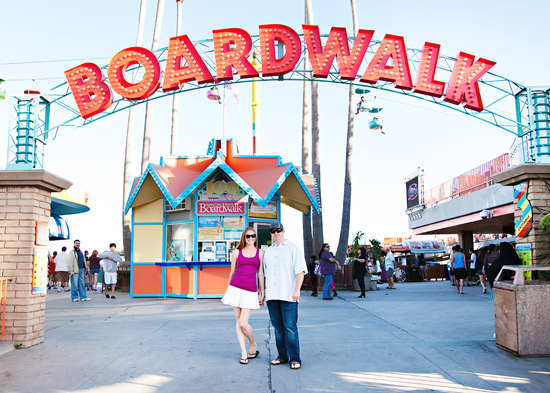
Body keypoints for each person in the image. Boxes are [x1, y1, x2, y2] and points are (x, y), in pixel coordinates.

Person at [263, 221, 307, 370]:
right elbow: (264, 274)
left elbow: (300, 271)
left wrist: (297, 290)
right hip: (272, 295)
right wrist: (262, 293)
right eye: (273, 231)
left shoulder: (293, 248)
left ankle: (295, 358)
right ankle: (282, 356)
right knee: (278, 328)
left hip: (288, 295)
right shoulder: (268, 251)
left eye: (278, 230)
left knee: (290, 328)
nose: (276, 233)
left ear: (283, 231)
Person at [221, 227, 265, 365]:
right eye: (248, 236)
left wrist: (262, 291)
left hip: (250, 290)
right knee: (238, 321)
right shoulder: (236, 252)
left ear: (255, 237)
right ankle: (244, 353)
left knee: (243, 323)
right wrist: (228, 289)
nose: (250, 238)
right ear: (244, 238)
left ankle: (253, 344)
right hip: (235, 288)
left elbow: (260, 273)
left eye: (253, 236)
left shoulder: (261, 253)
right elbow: (231, 272)